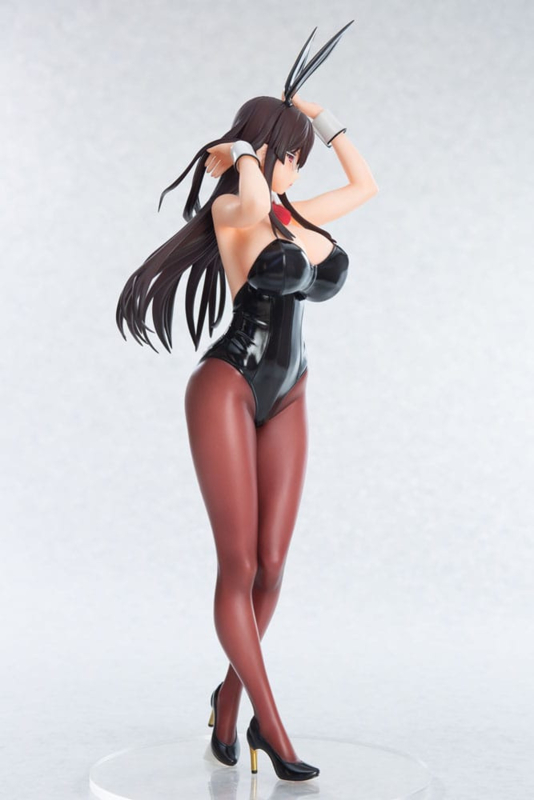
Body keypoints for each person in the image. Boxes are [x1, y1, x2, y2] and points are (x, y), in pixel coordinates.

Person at [116, 22, 379, 782]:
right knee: (237, 566)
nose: (295, 166)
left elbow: (367, 187)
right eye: (287, 153)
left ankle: (228, 705)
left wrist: (321, 118)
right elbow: (256, 193)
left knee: (272, 566)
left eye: (299, 156)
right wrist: (241, 153)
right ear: (263, 155)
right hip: (227, 385)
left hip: (289, 390)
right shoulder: (236, 213)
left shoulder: (296, 215)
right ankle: (274, 728)